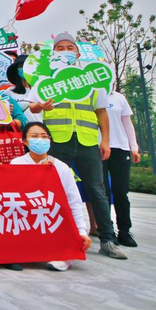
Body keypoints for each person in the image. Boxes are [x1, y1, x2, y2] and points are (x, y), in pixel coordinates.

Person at [28, 32, 126, 259]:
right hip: (56, 140)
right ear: (53, 53)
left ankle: (108, 239)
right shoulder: (45, 80)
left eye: (69, 48)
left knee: (97, 189)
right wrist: (41, 106)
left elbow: (102, 112)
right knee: (51, 189)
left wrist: (106, 140)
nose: (65, 52)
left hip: (87, 140)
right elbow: (32, 107)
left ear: (78, 53)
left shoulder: (91, 80)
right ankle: (52, 236)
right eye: (60, 48)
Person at [11, 121, 93, 271]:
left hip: (51, 218)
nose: (40, 140)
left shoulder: (61, 167)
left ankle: (62, 256)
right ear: (25, 141)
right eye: (34, 136)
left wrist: (81, 231)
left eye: (44, 136)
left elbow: (74, 202)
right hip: (25, 217)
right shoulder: (16, 163)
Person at [103, 90, 141, 247]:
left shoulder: (119, 98)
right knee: (102, 192)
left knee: (121, 192)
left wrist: (133, 147)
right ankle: (108, 231)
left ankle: (124, 231)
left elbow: (127, 122)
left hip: (120, 148)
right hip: (99, 148)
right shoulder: (90, 93)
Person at [4, 55, 43, 123]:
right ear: (16, 70)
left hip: (39, 128)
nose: (25, 69)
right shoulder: (8, 92)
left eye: (28, 66)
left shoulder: (39, 90)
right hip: (20, 130)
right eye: (21, 66)